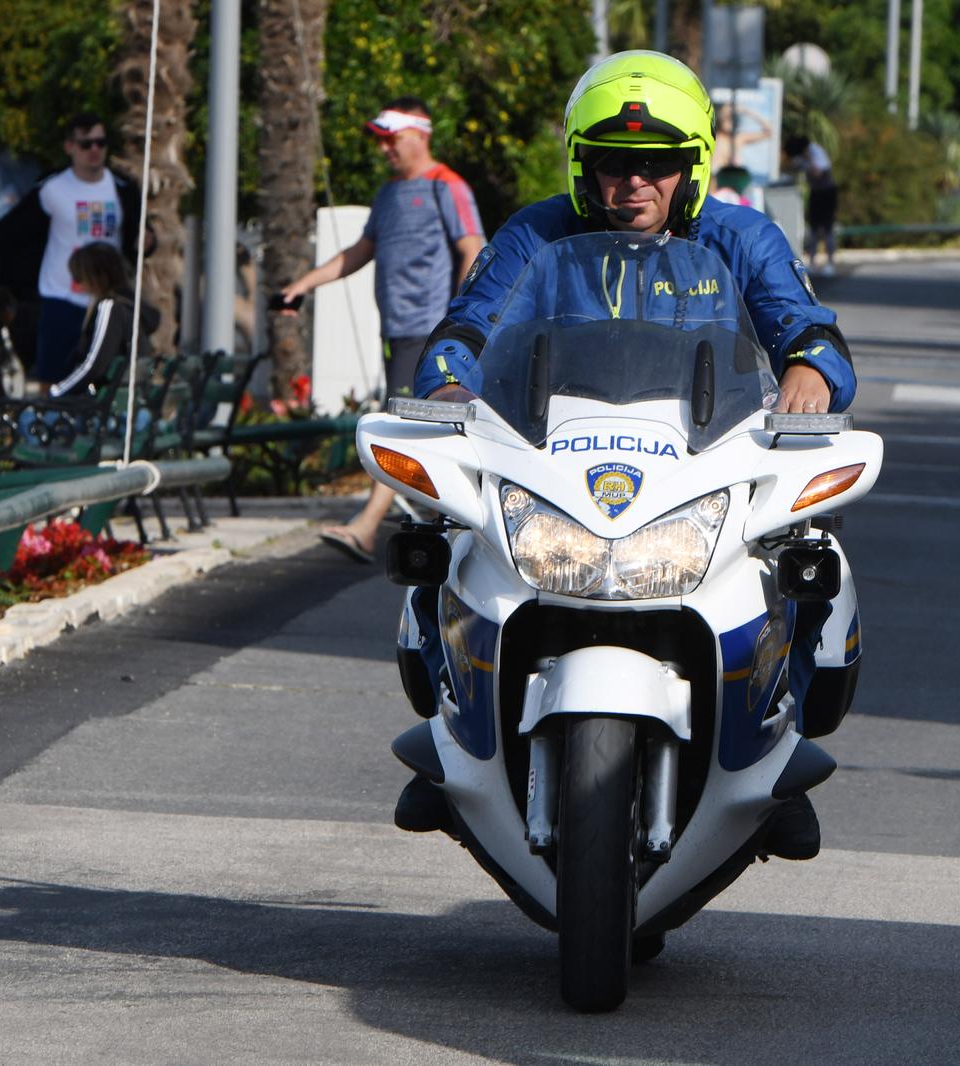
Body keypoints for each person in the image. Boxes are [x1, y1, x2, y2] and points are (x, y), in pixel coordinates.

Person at [403, 51, 857, 862]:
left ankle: (773, 759)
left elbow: (809, 327)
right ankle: (452, 741)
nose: (633, 185)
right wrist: (445, 388)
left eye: (657, 167)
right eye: (613, 164)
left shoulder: (740, 236)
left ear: (693, 168)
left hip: (697, 463)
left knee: (812, 555)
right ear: (584, 164)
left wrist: (807, 372)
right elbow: (468, 327)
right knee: (441, 546)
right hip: (557, 460)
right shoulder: (536, 233)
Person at [277, 97, 483, 563]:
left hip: (431, 335)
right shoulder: (389, 194)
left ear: (420, 135)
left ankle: (367, 527)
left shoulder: (446, 187)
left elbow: (473, 249)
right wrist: (301, 287)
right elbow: (359, 250)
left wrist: (459, 319)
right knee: (418, 432)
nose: (386, 149)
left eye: (393, 139)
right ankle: (441, 536)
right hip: (396, 332)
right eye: (382, 141)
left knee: (399, 431)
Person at [0, 112, 149, 391]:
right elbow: (9, 232)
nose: (95, 150)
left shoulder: (122, 188)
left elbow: (141, 231)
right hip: (63, 296)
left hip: (107, 300)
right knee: (53, 376)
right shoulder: (53, 188)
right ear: (69, 147)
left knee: (107, 375)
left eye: (100, 143)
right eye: (86, 144)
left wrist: (148, 242)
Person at [49, 242, 157, 399]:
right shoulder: (130, 305)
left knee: (27, 417)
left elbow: (94, 365)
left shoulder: (111, 307)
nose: (76, 283)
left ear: (98, 277)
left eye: (79, 277)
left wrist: (55, 393)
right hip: (122, 399)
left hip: (104, 405)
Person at [784, 135, 839, 276]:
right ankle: (812, 262)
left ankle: (830, 263)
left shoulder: (815, 151)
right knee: (813, 228)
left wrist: (807, 160)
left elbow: (818, 172)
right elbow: (793, 166)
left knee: (827, 228)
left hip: (827, 192)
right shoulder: (801, 155)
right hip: (815, 192)